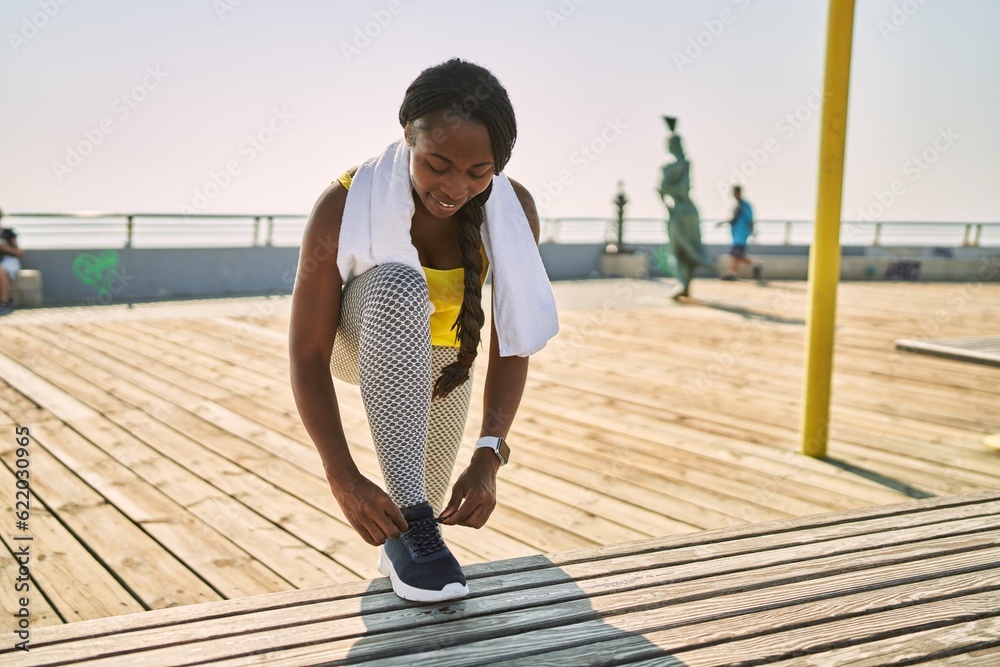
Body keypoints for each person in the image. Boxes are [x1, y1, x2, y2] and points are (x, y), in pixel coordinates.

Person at [288, 59, 557, 603]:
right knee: (398, 285)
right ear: (408, 136)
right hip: (357, 340)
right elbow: (307, 352)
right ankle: (414, 520)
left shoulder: (512, 211)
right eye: (437, 164)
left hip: (442, 362)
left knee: (418, 527)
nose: (455, 187)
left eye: (478, 172)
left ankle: (411, 540)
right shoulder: (344, 202)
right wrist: (342, 475)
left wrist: (489, 455)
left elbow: (513, 336)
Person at [717, 185, 761, 280]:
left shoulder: (744, 205)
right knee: (738, 254)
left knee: (735, 253)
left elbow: (749, 220)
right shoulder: (739, 205)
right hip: (737, 234)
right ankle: (754, 265)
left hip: (741, 235)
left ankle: (732, 273)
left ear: (737, 193)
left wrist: (753, 233)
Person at [0, 209, 25, 316]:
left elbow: (20, 252)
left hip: (8, 261)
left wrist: (7, 249)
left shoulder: (8, 233)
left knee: (1, 270)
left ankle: (4, 302)